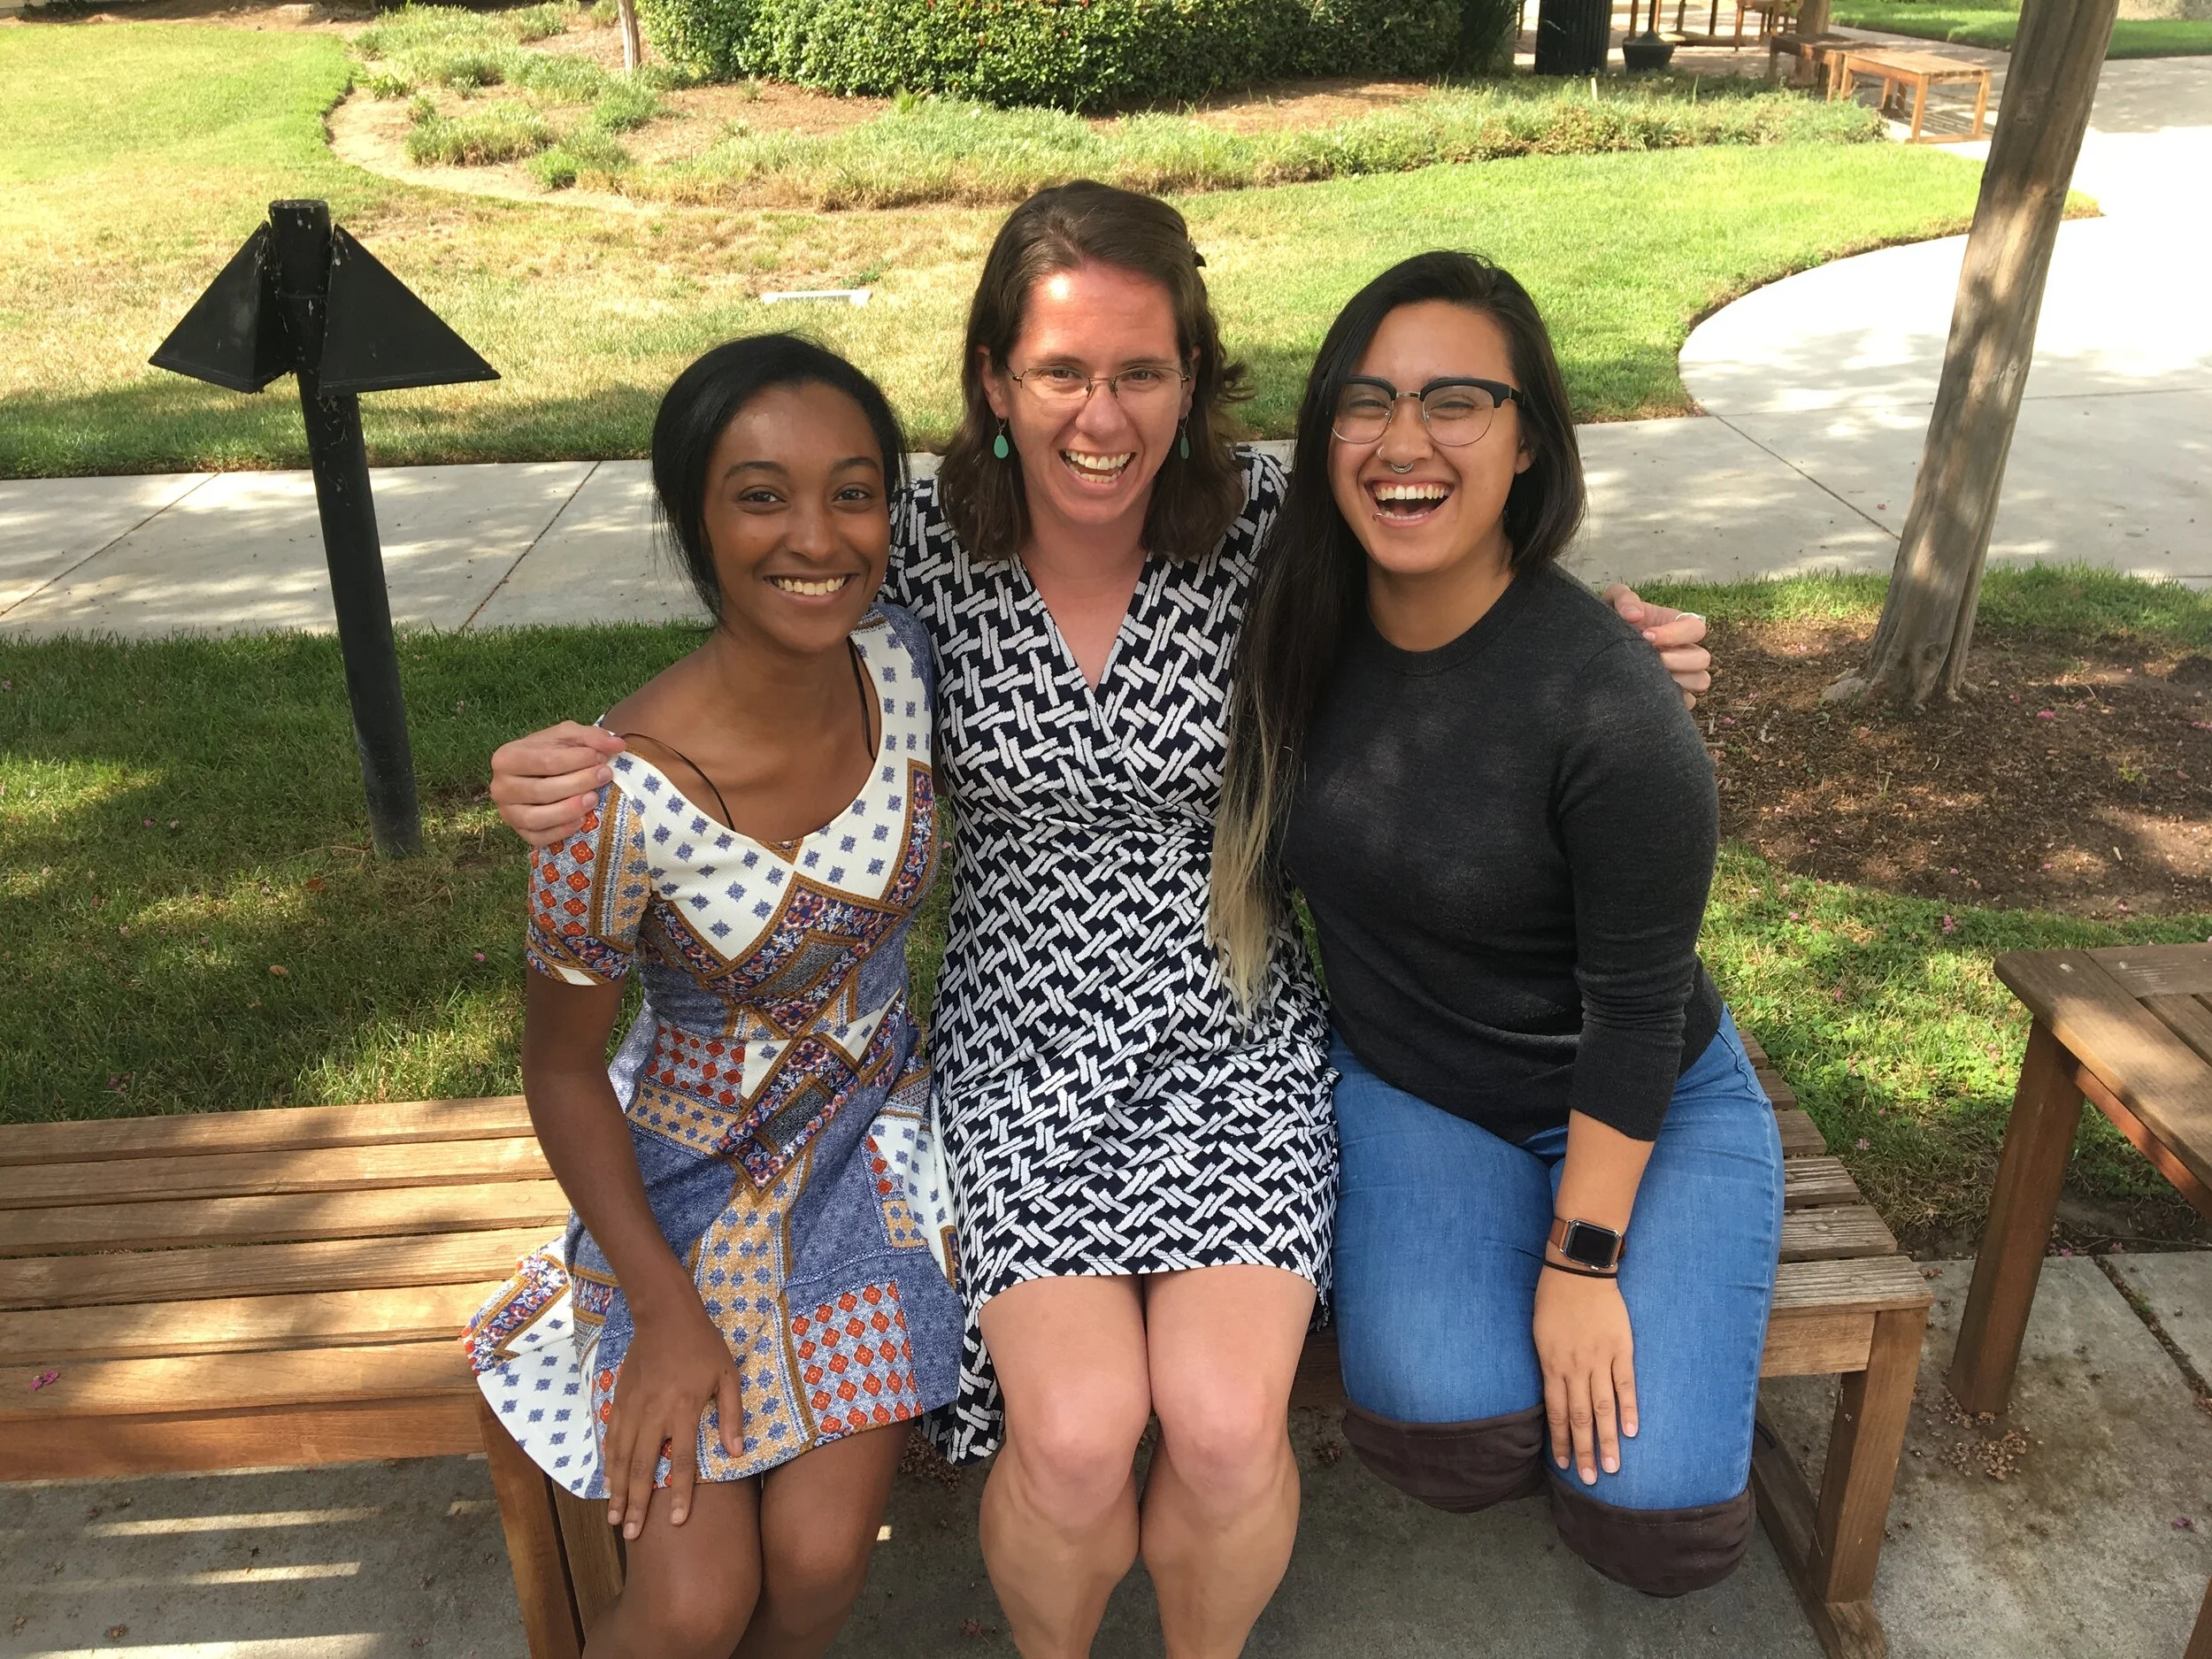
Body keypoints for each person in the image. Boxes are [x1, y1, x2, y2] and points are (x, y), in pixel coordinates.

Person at [485, 182, 1715, 1659]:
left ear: (1192, 379)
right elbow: (772, 625)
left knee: (1217, 1421)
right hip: (1018, 1032)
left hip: (1237, 1021)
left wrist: (1618, 656)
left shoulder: (1272, 523)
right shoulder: (920, 535)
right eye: (1061, 371)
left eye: (1142, 371)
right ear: (996, 379)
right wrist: (585, 757)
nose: (1102, 416)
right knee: (1072, 1436)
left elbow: (1455, 567)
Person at [1211, 250, 1783, 1599]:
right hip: (1422, 1092)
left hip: (1640, 1094)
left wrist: (1582, 1264)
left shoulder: (1610, 702)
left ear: (1529, 443)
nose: (1404, 442)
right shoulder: (1296, 617)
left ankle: (1599, 1254)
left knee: (1653, 1513)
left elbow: (1637, 1009)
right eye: (1366, 401)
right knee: (1450, 1430)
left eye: (1456, 402)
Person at [462, 334, 966, 1659]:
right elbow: (563, 1070)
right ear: (696, 515)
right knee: (692, 1602)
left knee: (810, 1566)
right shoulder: (606, 806)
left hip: (873, 1151)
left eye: (854, 492)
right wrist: (666, 1308)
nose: (817, 534)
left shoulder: (909, 667)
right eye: (761, 494)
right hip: (679, 1188)